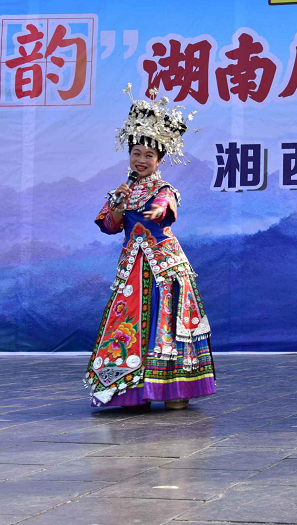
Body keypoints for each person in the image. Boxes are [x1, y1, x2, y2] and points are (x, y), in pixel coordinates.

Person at [84, 85, 215, 410]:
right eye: (136, 153)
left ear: (159, 160)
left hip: (164, 269)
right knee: (130, 324)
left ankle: (174, 389)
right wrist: (119, 203)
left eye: (148, 156)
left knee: (165, 324)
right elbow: (110, 225)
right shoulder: (122, 190)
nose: (141, 160)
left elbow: (167, 205)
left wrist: (158, 209)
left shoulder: (164, 188)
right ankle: (132, 389)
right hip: (132, 270)